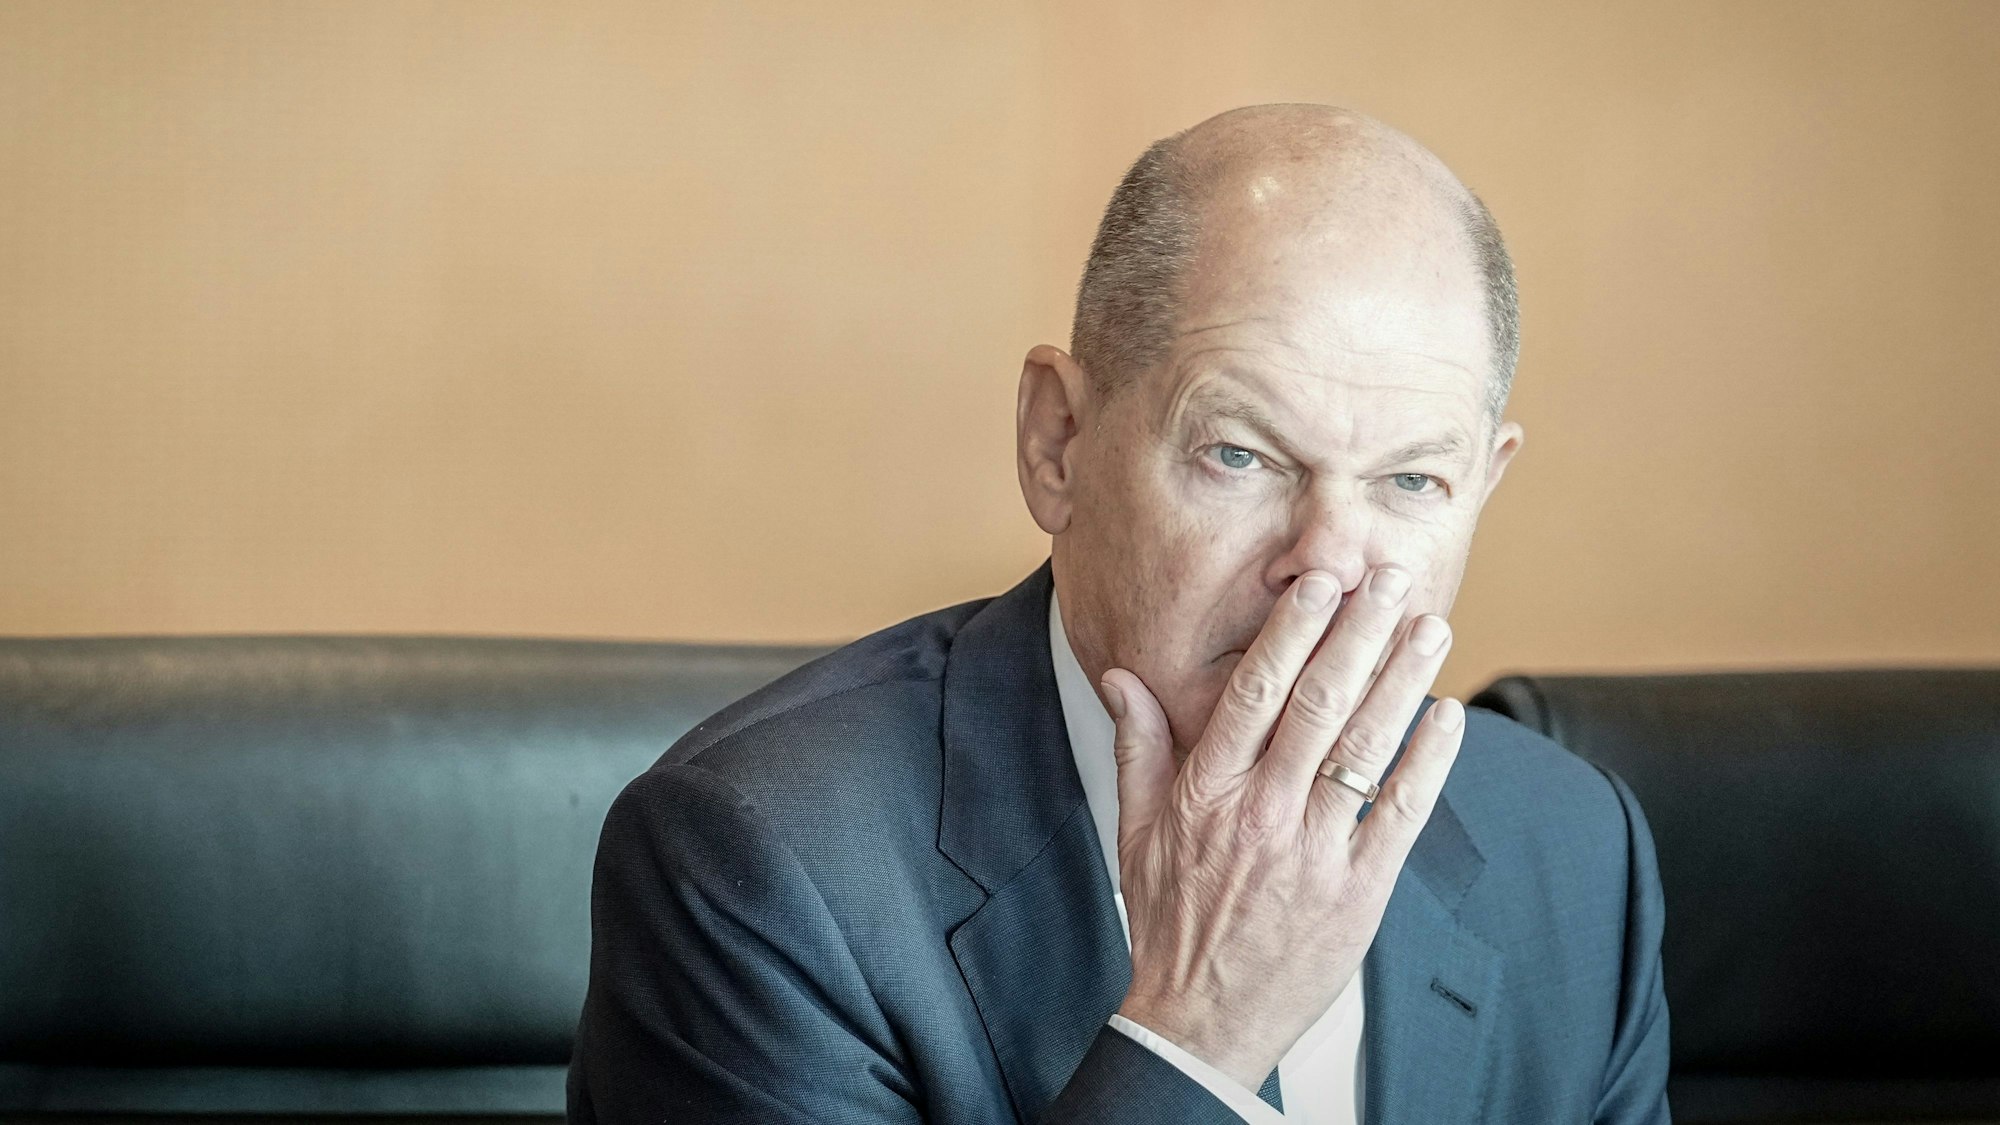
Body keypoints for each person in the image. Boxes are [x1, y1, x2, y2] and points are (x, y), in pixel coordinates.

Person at [567, 103, 1670, 1124]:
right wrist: (1199, 1034)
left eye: (1409, 483)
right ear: (1058, 444)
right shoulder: (757, 864)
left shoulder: (1574, 854)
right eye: (1237, 453)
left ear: (1483, 485)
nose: (1324, 568)